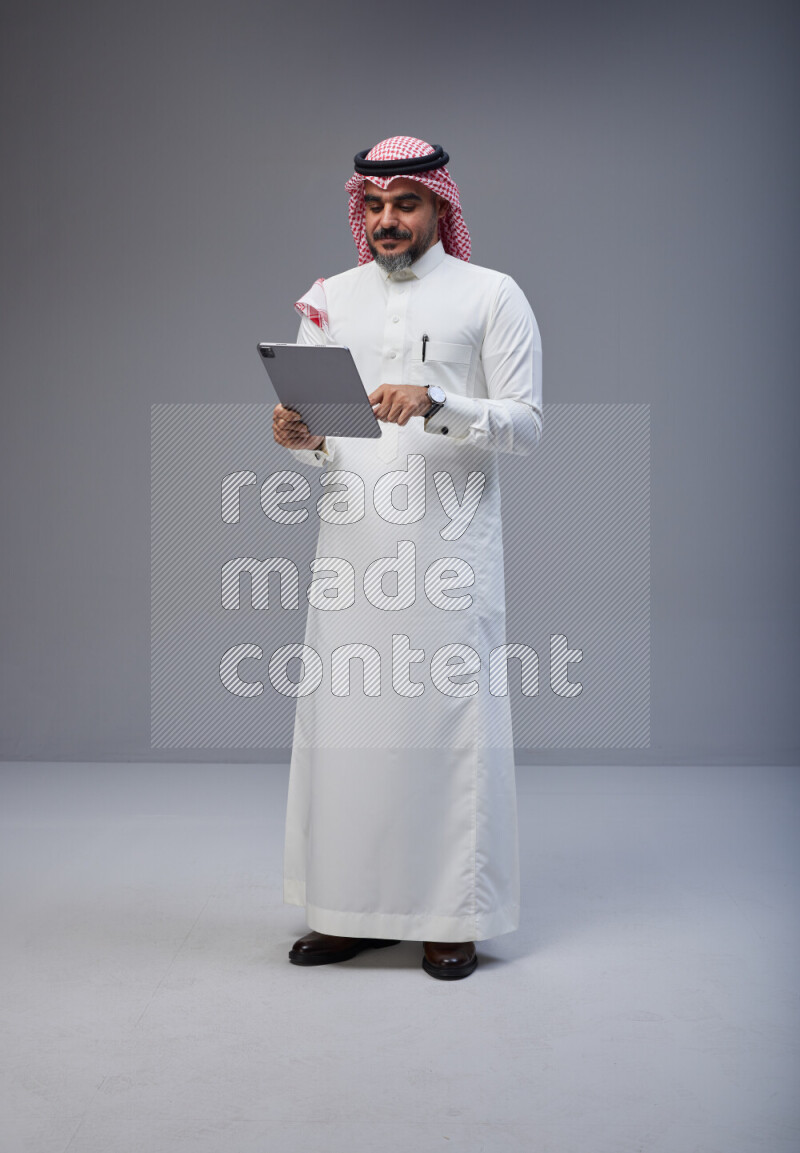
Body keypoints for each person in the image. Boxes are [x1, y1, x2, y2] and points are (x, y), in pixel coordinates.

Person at [272, 136, 542, 980]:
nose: (389, 219)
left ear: (439, 207)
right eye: (375, 205)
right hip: (352, 550)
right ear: (362, 210)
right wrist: (301, 437)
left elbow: (527, 425)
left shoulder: (491, 296)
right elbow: (321, 438)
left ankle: (449, 916)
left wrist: (440, 404)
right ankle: (346, 911)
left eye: (407, 203)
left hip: (446, 554)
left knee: (442, 731)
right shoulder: (327, 298)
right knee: (346, 732)